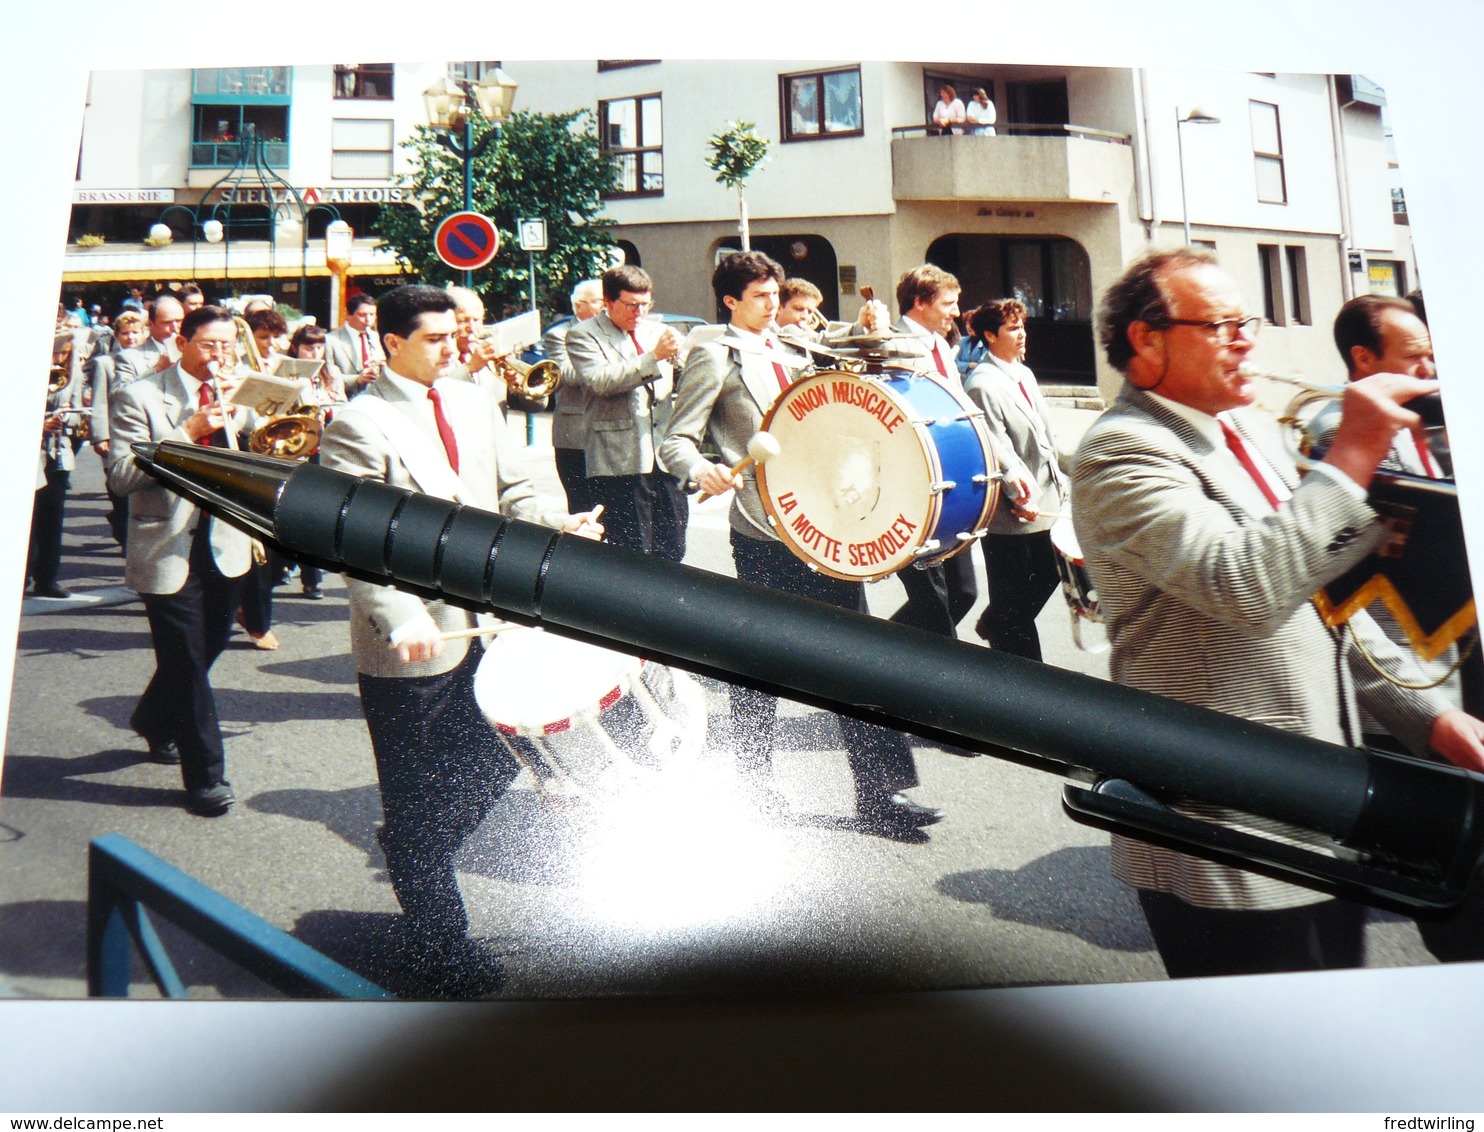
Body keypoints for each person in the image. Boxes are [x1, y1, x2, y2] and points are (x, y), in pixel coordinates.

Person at [1071, 247, 1484, 978]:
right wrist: (1353, 453)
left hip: (1317, 802)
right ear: (1146, 339)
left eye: (1247, 321)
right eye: (1222, 325)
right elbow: (1247, 587)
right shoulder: (1123, 450)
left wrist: (1429, 719)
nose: (1246, 340)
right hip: (1220, 819)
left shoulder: (1251, 428)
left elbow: (1324, 606)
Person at [317, 285, 601, 989]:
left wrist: (552, 524)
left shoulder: (473, 400)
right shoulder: (360, 422)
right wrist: (399, 614)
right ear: (391, 344)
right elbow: (351, 535)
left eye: (454, 336)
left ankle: (416, 850)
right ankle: (442, 945)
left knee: (500, 760)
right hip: (412, 641)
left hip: (488, 626)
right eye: (437, 339)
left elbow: (515, 488)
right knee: (415, 794)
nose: (455, 348)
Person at [660, 251, 942, 840]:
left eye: (775, 295)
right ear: (731, 301)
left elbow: (853, 357)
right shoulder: (716, 354)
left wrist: (871, 325)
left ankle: (879, 794)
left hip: (829, 528)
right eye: (760, 297)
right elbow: (676, 441)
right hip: (766, 531)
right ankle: (754, 788)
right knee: (761, 666)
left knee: (858, 657)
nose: (773, 306)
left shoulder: (794, 346)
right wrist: (702, 469)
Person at [106, 304, 259, 816]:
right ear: (183, 343)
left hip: (226, 542)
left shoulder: (241, 394)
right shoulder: (139, 395)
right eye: (209, 345)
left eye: (227, 346)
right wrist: (187, 431)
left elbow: (261, 462)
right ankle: (206, 779)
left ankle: (152, 718)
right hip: (167, 545)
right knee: (189, 663)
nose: (220, 355)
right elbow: (122, 476)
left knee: (206, 646)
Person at [964, 299, 1068, 661]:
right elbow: (997, 448)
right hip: (1014, 511)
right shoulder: (982, 383)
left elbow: (1044, 436)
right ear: (990, 335)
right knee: (1014, 608)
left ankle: (997, 624)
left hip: (1047, 501)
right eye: (1012, 328)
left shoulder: (1022, 372)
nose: (1022, 333)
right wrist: (1018, 494)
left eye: (1023, 325)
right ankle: (1026, 678)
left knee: (1050, 576)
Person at [565, 264, 688, 560]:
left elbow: (682, 375)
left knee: (673, 546)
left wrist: (683, 357)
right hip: (619, 458)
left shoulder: (657, 331)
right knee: (631, 550)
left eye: (646, 305)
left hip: (664, 454)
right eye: (631, 305)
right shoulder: (583, 335)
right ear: (608, 302)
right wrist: (654, 357)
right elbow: (599, 381)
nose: (640, 313)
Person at [887, 265, 978, 636]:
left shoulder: (940, 345)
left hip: (950, 479)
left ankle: (882, 647)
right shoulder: (889, 341)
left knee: (964, 592)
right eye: (949, 304)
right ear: (920, 303)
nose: (956, 312)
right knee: (935, 605)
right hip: (912, 485)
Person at [87, 308, 149, 551]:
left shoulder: (152, 359)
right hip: (117, 435)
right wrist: (100, 435)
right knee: (119, 492)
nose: (131, 338)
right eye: (125, 333)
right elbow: (99, 401)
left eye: (136, 332)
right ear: (116, 335)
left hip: (143, 433)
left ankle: (132, 540)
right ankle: (123, 533)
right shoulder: (105, 363)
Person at [30, 330, 85, 599]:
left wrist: (66, 419)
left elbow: (77, 412)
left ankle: (47, 578)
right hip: (30, 453)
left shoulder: (72, 374)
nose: (58, 358)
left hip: (58, 454)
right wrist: (39, 424)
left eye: (64, 354)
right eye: (54, 353)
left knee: (52, 520)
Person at [546, 278, 604, 513]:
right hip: (576, 434)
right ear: (580, 306)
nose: (605, 306)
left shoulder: (611, 331)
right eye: (600, 301)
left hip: (609, 434)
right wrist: (611, 371)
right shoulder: (559, 334)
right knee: (582, 506)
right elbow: (567, 374)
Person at [327, 293, 383, 395]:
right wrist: (358, 379)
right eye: (362, 315)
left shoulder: (377, 337)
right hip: (348, 398)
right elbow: (327, 377)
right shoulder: (330, 340)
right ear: (348, 314)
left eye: (372, 315)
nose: (368, 320)